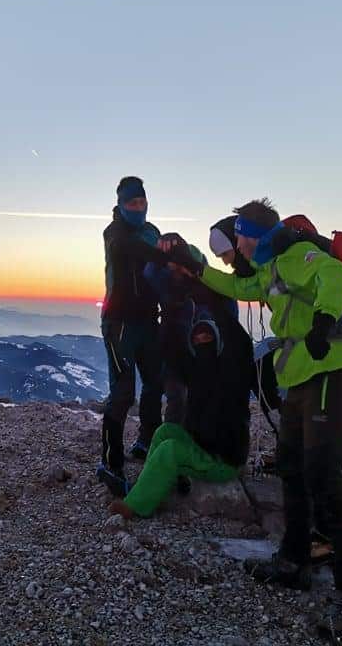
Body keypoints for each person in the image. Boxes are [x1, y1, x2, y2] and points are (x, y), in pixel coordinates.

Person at [170, 199, 342, 635]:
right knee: (291, 467)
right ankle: (294, 560)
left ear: (253, 236)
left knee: (322, 476)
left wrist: (323, 321)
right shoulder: (270, 268)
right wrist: (197, 267)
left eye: (240, 237)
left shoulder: (296, 255)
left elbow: (337, 276)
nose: (238, 246)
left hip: (329, 372)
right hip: (302, 375)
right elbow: (238, 288)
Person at [108, 305, 253, 519]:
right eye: (197, 340)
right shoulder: (197, 371)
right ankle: (147, 486)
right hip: (204, 448)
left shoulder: (228, 374)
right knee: (165, 431)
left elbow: (241, 345)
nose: (202, 343)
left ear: (218, 342)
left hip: (223, 460)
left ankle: (135, 506)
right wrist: (171, 315)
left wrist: (217, 306)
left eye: (208, 338)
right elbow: (173, 352)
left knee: (170, 450)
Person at [97, 176, 171, 497]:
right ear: (121, 205)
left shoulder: (152, 231)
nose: (138, 208)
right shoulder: (114, 232)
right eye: (132, 203)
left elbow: (160, 263)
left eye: (142, 202)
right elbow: (126, 249)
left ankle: (147, 440)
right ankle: (110, 462)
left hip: (148, 321)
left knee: (155, 382)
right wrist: (163, 253)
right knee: (123, 392)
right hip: (120, 325)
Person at [143, 233, 236, 426]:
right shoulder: (169, 283)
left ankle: (200, 437)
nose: (177, 272)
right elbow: (150, 274)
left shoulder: (213, 288)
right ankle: (173, 437)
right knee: (177, 398)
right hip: (174, 352)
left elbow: (230, 316)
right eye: (173, 267)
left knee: (203, 400)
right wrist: (161, 252)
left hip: (206, 353)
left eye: (181, 267)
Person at [208, 215, 283, 419]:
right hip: (305, 341)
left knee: (261, 375)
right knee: (260, 374)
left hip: (313, 343)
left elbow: (237, 287)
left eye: (226, 254)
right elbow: (236, 287)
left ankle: (285, 426)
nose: (226, 262)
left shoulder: (276, 267)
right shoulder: (264, 270)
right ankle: (284, 425)